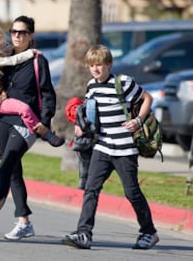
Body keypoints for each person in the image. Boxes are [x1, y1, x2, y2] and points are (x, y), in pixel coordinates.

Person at [62, 44, 159, 250]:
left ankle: (149, 232)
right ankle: (84, 233)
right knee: (91, 189)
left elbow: (147, 98)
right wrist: (81, 127)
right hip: (103, 146)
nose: (96, 69)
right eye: (92, 65)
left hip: (125, 148)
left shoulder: (122, 82)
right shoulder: (92, 86)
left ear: (108, 65)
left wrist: (138, 121)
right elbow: (90, 114)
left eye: (100, 65)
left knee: (131, 192)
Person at [0, 16, 59, 240]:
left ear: (31, 36)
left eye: (22, 32)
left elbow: (48, 94)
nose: (17, 36)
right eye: (13, 31)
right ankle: (24, 222)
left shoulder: (38, 61)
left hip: (26, 122)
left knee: (5, 167)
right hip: (2, 119)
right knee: (13, 172)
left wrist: (44, 123)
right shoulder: (4, 55)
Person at [0, 26, 64, 150]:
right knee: (24, 108)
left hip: (0, 99)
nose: (0, 51)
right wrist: (30, 53)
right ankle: (43, 132)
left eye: (2, 46)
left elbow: (8, 52)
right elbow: (13, 60)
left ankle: (0, 145)